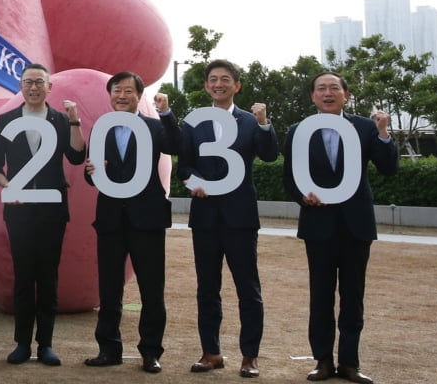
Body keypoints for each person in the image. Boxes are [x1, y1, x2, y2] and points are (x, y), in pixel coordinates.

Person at [283, 71, 398, 384]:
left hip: (356, 224)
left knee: (353, 296)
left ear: (346, 95)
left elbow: (389, 168)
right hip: (318, 224)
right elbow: (289, 178)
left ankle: (350, 363)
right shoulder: (299, 130)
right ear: (312, 96)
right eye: (321, 88)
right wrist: (302, 197)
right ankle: (322, 361)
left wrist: (384, 133)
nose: (328, 92)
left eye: (334, 87)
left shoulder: (365, 127)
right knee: (320, 296)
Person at [167, 59, 277, 378]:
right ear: (206, 86)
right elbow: (183, 167)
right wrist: (194, 183)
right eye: (213, 79)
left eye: (225, 79)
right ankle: (211, 352)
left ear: (236, 86)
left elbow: (269, 155)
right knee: (207, 288)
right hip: (205, 217)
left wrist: (264, 123)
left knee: (248, 289)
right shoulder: (195, 122)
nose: (219, 84)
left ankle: (250, 356)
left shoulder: (249, 120)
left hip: (240, 217)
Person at [0, 63, 85, 366]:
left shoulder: (59, 120)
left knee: (48, 277)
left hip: (52, 212)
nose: (33, 88)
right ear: (21, 85)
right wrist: (9, 188)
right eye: (28, 82)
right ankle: (21, 344)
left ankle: (46, 345)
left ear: (49, 87)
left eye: (39, 82)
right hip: (18, 212)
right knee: (23, 277)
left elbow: (77, 156)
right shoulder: (6, 120)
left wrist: (74, 121)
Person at [83, 71, 181, 374]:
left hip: (147, 219)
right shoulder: (102, 129)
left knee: (152, 289)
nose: (122, 95)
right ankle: (108, 349)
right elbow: (93, 177)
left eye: (128, 90)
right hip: (111, 219)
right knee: (109, 289)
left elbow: (176, 146)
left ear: (140, 96)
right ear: (109, 94)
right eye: (116, 90)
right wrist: (92, 171)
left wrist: (167, 114)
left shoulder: (154, 126)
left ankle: (151, 351)